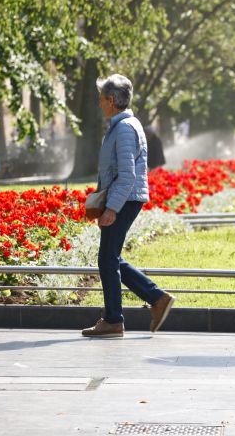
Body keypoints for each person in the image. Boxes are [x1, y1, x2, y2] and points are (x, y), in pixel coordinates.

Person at [82, 74, 175, 338]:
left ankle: (114, 319)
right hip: (126, 197)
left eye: (101, 99)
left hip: (125, 199)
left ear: (111, 100)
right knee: (110, 258)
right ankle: (156, 299)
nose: (100, 104)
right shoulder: (123, 126)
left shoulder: (123, 128)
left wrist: (111, 209)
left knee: (107, 258)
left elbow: (127, 174)